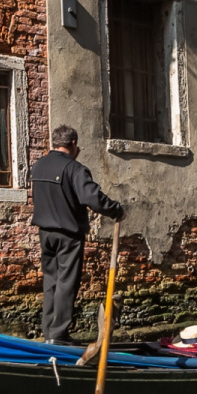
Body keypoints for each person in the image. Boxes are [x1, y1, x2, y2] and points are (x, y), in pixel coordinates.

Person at [30, 125, 122, 345]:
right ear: (73, 144)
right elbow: (93, 199)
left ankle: (49, 332)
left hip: (45, 232)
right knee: (66, 283)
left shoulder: (38, 167)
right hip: (68, 234)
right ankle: (58, 334)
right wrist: (116, 210)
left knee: (51, 281)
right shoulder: (74, 169)